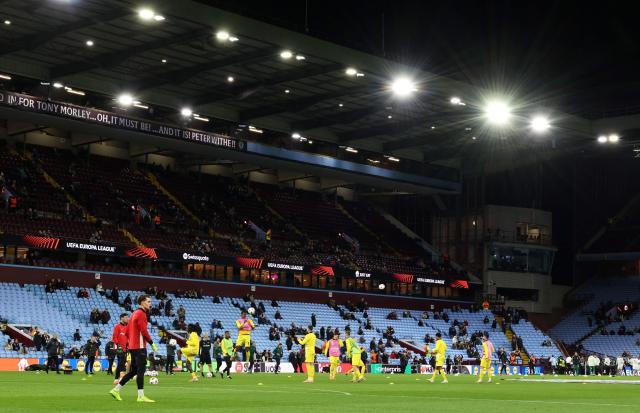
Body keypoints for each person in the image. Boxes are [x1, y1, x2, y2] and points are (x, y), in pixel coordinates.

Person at [109, 295, 158, 403]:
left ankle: (116, 390)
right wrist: (152, 343)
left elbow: (126, 332)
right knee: (141, 370)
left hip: (132, 347)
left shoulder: (133, 314)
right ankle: (140, 396)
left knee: (134, 371)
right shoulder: (141, 314)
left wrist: (131, 343)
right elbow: (144, 331)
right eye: (148, 301)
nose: (150, 304)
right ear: (142, 302)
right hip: (140, 347)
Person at [111, 313, 129, 381]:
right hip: (120, 347)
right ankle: (116, 378)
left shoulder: (128, 327)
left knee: (123, 363)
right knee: (121, 362)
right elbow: (114, 337)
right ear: (122, 318)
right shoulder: (117, 327)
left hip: (127, 347)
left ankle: (121, 377)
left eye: (128, 317)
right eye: (126, 317)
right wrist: (118, 345)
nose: (127, 319)